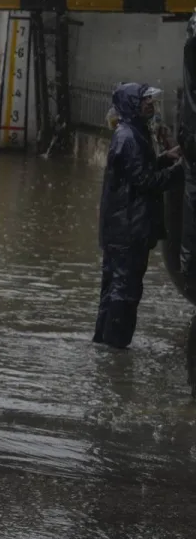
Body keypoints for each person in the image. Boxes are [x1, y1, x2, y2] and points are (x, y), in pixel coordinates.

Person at [96, 82, 183, 349]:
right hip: (128, 230)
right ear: (132, 104)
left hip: (121, 229)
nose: (151, 105)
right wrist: (179, 171)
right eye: (145, 100)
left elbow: (137, 175)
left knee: (113, 289)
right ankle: (116, 350)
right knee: (125, 291)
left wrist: (165, 158)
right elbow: (146, 181)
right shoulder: (130, 137)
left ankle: (105, 344)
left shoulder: (131, 133)